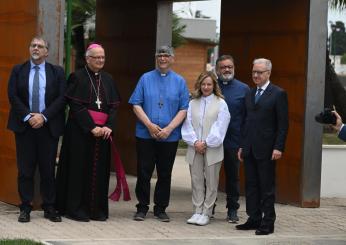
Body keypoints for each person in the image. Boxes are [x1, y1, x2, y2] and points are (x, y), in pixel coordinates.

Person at [55, 43, 120, 222]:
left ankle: (96, 210)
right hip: (80, 133)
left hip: (103, 134)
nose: (100, 60)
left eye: (103, 57)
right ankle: (76, 209)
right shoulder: (77, 77)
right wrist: (92, 127)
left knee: (99, 172)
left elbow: (114, 107)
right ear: (87, 59)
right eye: (96, 57)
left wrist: (108, 126)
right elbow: (75, 105)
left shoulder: (108, 79)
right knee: (78, 170)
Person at [7, 36, 66, 223]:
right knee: (25, 170)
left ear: (46, 52)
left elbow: (62, 98)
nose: (36, 48)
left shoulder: (56, 72)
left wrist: (43, 116)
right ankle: (25, 207)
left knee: (48, 169)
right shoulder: (18, 70)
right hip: (24, 126)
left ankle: (49, 207)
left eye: (40, 46)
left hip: (48, 127)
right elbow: (13, 95)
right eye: (33, 45)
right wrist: (29, 116)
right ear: (29, 49)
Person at [129, 45, 189, 222]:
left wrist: (169, 129)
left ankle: (160, 208)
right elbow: (136, 104)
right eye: (159, 55)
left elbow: (184, 108)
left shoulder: (180, 81)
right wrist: (149, 125)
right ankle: (141, 207)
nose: (163, 58)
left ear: (172, 59)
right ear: (156, 58)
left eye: (166, 55)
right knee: (144, 172)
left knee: (165, 173)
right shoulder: (145, 78)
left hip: (169, 137)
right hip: (145, 134)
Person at [236, 58, 289, 235]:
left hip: (267, 150)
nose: (256, 75)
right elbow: (246, 122)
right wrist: (243, 146)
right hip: (249, 148)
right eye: (254, 72)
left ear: (268, 73)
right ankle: (254, 218)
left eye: (259, 72)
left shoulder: (278, 93)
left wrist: (278, 147)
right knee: (251, 186)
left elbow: (283, 124)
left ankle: (268, 222)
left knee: (266, 187)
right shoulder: (249, 93)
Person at [181, 71, 230, 226]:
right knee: (196, 181)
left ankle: (207, 212)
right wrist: (195, 142)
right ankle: (197, 210)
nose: (206, 87)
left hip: (212, 148)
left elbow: (221, 126)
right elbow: (187, 124)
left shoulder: (221, 103)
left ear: (214, 85)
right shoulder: (192, 103)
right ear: (199, 85)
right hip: (194, 147)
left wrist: (206, 143)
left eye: (209, 84)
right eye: (203, 84)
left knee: (211, 182)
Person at [215, 55, 250, 223]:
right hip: (213, 141)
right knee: (210, 176)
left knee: (232, 177)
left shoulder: (244, 89)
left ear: (234, 68)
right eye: (223, 67)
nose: (226, 70)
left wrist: (244, 143)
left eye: (229, 66)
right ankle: (208, 208)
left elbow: (248, 118)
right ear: (217, 69)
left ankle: (232, 210)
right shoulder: (210, 86)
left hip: (234, 141)